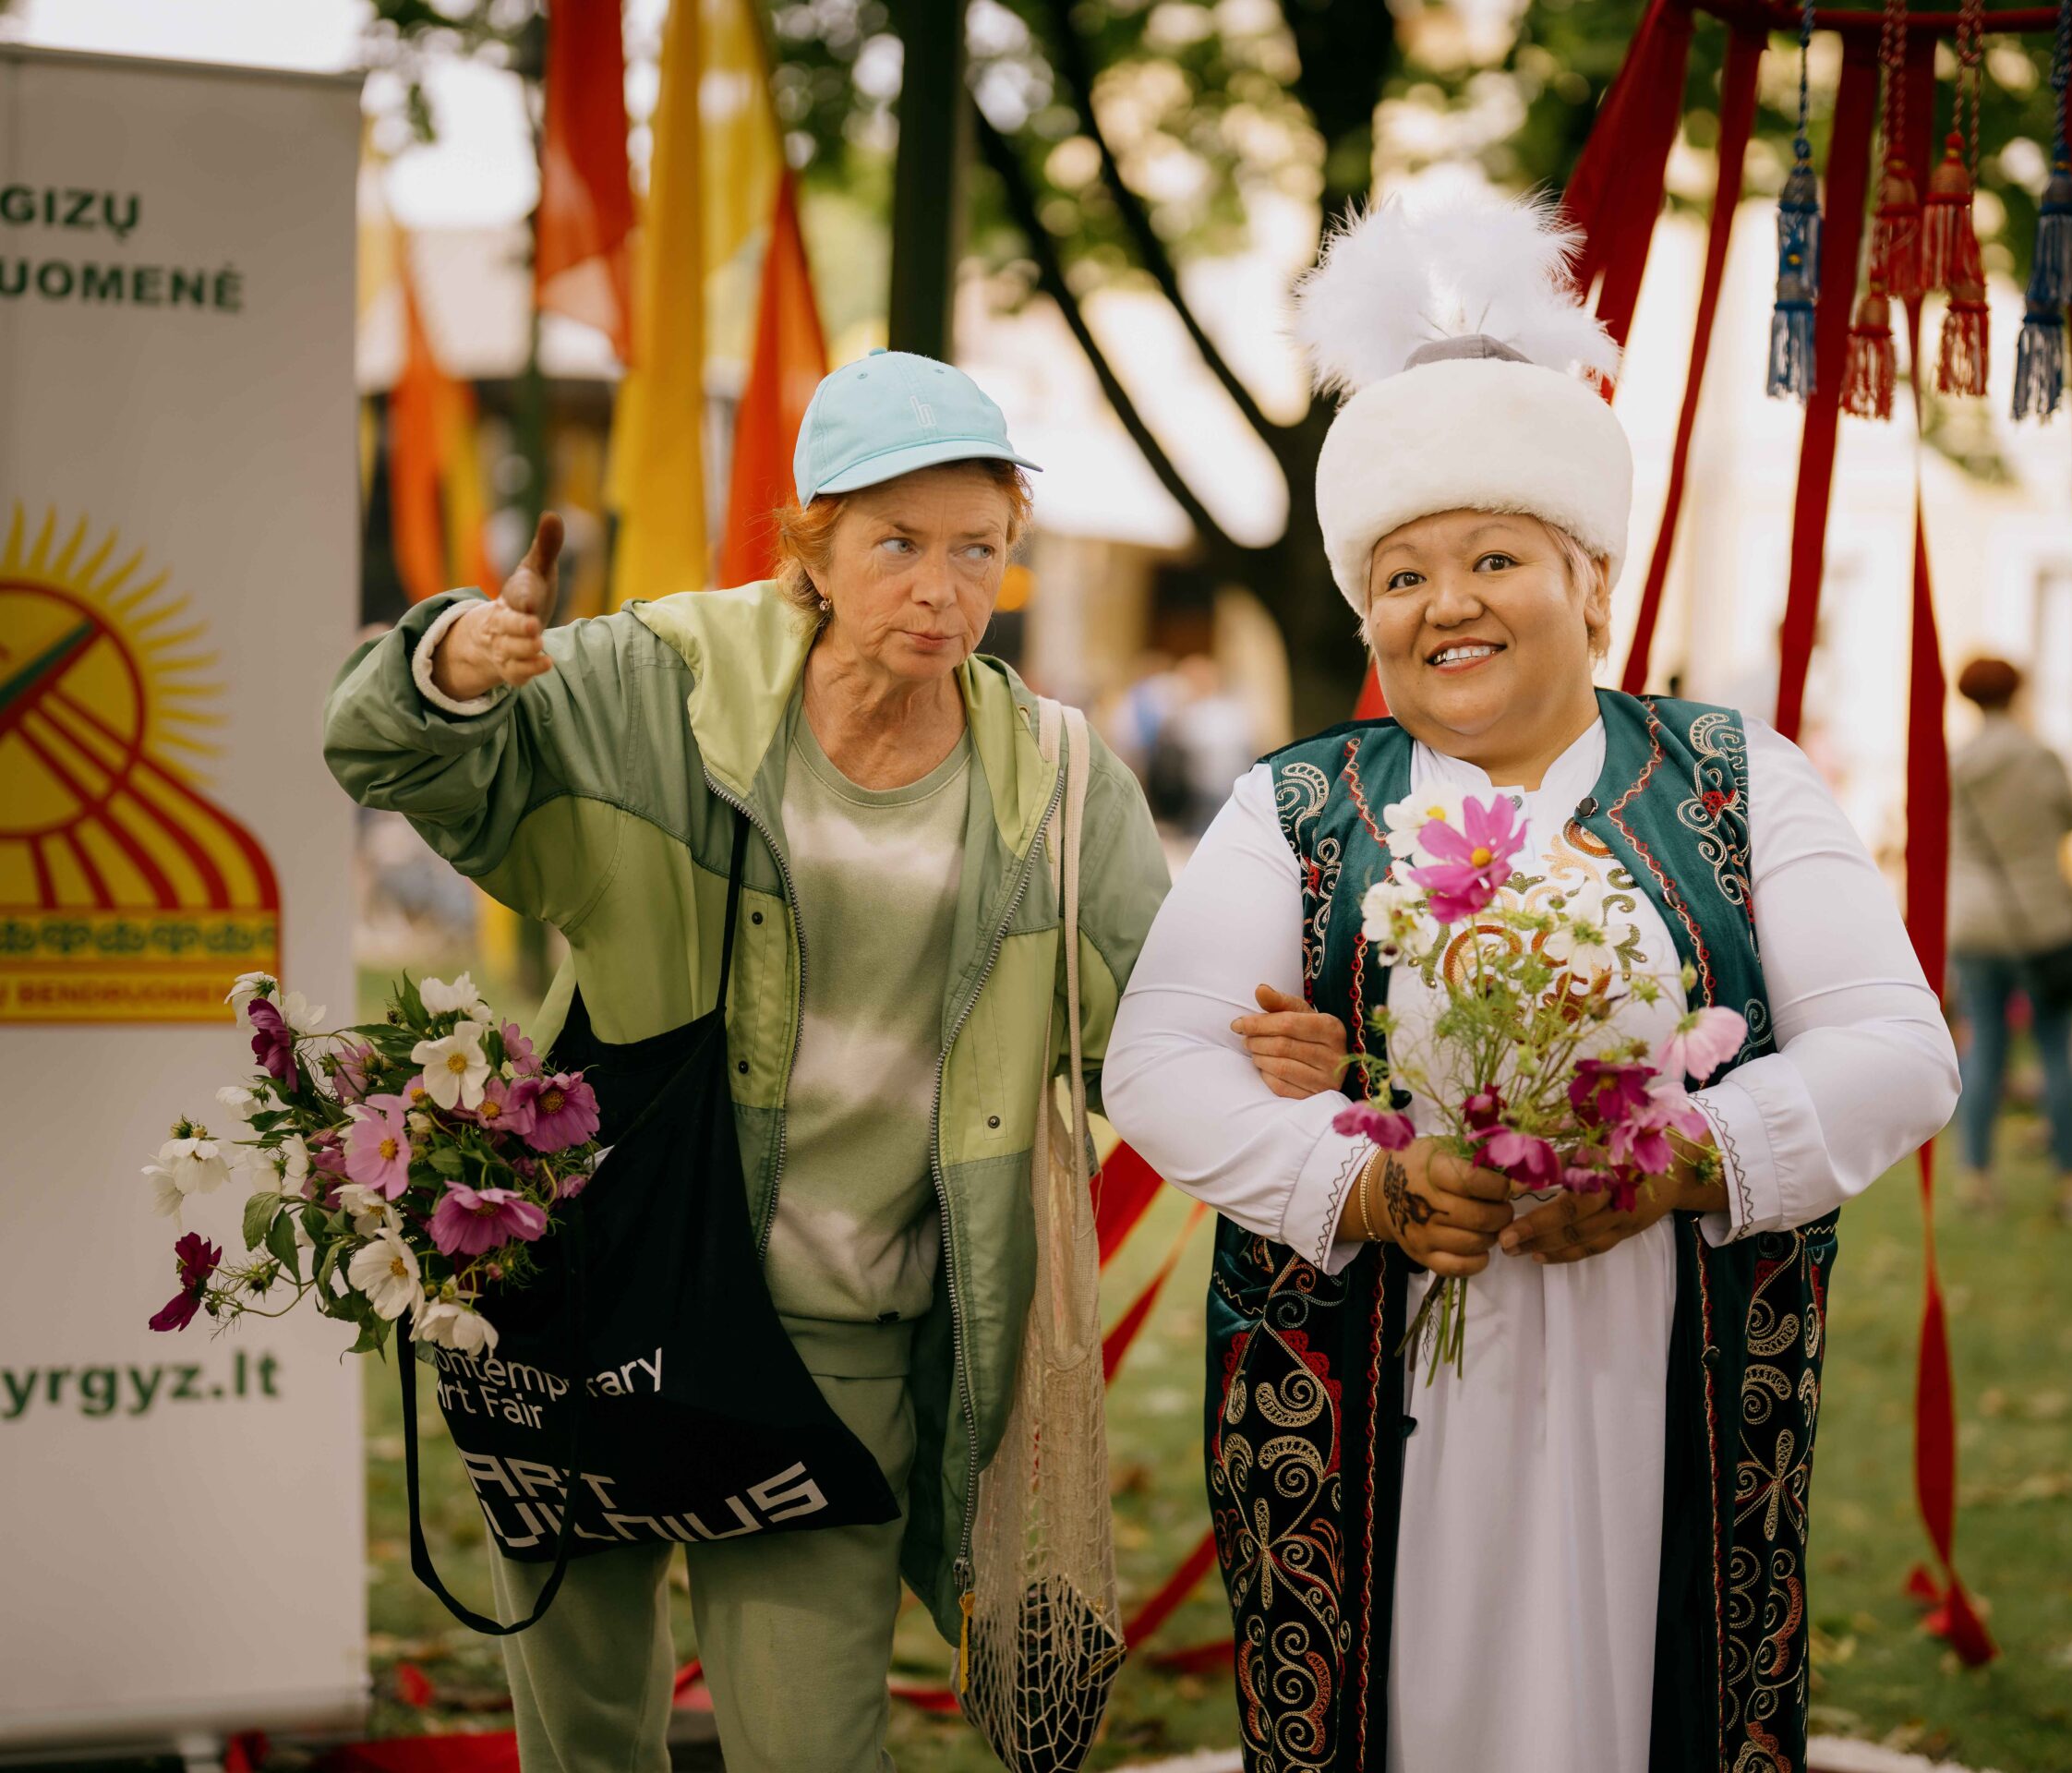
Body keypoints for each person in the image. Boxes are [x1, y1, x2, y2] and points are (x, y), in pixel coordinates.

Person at [1101, 195, 1961, 1773]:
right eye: (1405, 576)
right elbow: (1158, 1055)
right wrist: (1357, 1188)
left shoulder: (1731, 779)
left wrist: (1686, 1159)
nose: (1451, 605)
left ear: (1592, 582)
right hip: (1371, 1359)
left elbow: (1899, 1047)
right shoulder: (1294, 808)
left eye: (1496, 557)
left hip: (1666, 1338)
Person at [321, 352, 1177, 1772]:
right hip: (600, 1296)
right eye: (897, 544)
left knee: (808, 1744)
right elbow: (386, 751)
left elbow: (1160, 1028)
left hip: (837, 1341)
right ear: (815, 542)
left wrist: (1292, 1060)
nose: (939, 589)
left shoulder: (1063, 784)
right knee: (584, 1732)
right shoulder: (660, 681)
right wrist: (450, 672)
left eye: (979, 551)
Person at [1947, 656, 2072, 1225]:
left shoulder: (1957, 762)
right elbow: (2070, 819)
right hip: (2040, 921)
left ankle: (1976, 1177)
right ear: (2018, 691)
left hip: (1972, 921)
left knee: (1984, 1046)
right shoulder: (2040, 755)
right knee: (2055, 1050)